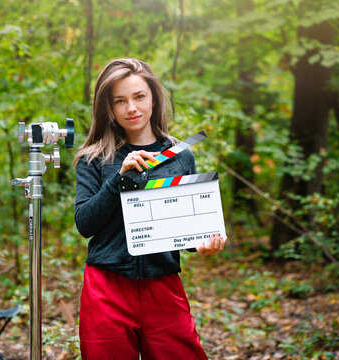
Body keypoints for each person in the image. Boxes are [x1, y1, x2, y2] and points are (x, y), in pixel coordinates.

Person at [73, 58, 226, 360]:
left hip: (162, 283)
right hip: (107, 286)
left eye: (139, 97)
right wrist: (118, 180)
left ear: (154, 99)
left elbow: (185, 226)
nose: (131, 108)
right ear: (110, 109)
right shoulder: (94, 158)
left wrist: (204, 244)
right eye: (120, 101)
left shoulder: (181, 156)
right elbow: (85, 224)